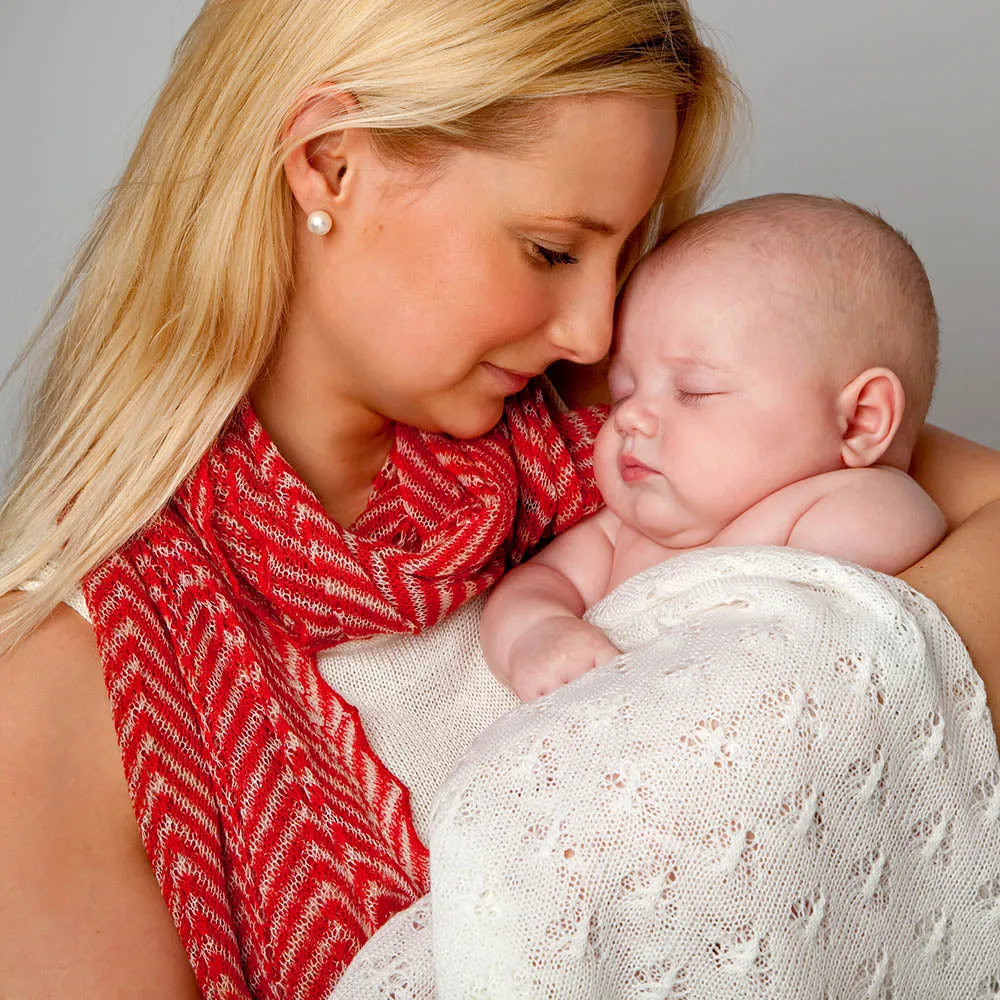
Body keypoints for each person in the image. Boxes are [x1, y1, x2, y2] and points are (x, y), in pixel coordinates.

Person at [0, 1, 997, 998]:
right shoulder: (59, 685)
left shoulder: (627, 411)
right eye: (554, 250)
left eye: (626, 253)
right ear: (330, 164)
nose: (597, 327)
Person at [483, 194, 948, 701]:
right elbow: (534, 586)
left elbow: (885, 546)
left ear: (859, 421)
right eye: (623, 392)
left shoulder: (858, 503)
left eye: (695, 391)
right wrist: (538, 632)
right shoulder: (622, 533)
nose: (631, 416)